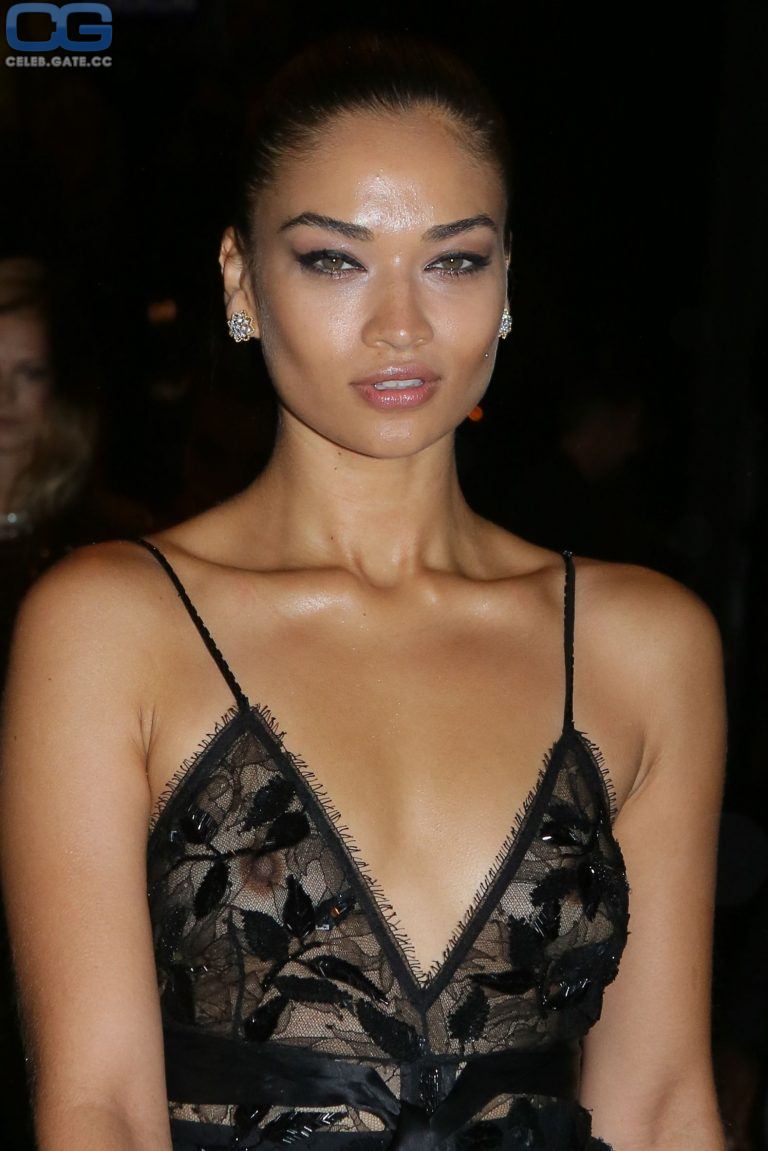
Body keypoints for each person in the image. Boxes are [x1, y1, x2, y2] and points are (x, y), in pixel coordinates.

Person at [0, 29, 727, 1151]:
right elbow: (97, 1108)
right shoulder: (111, 624)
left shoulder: (645, 642)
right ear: (240, 277)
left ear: (507, 278)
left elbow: (666, 1102)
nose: (401, 324)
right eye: (335, 259)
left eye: (454, 261)